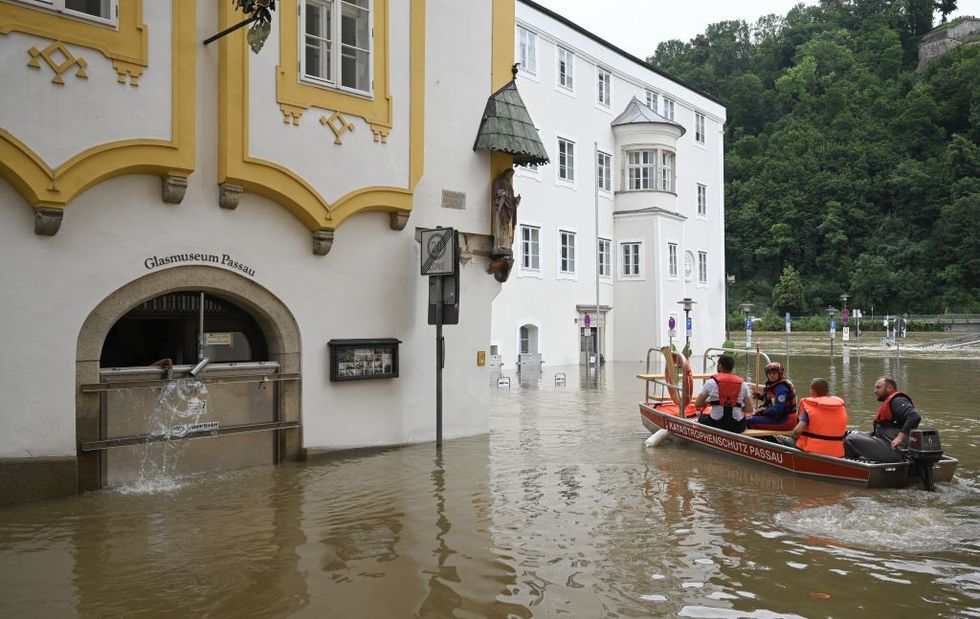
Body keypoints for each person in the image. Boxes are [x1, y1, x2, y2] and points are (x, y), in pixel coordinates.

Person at [843, 377, 921, 462]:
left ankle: (849, 465)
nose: (875, 391)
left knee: (850, 439)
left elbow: (914, 417)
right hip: (886, 444)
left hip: (896, 450)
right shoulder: (891, 403)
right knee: (849, 434)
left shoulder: (897, 400)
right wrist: (860, 433)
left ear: (889, 388)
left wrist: (900, 438)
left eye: (878, 387)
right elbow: (885, 430)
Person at [782, 378, 848, 457]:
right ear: (827, 392)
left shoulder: (811, 408)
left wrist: (792, 436)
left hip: (814, 451)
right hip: (836, 452)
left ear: (813, 392)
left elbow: (797, 431)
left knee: (786, 440)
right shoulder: (840, 408)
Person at [695, 354, 754, 433]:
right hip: (737, 426)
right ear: (731, 367)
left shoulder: (710, 383)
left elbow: (698, 404)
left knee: (702, 418)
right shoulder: (743, 384)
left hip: (716, 424)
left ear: (720, 365)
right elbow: (749, 409)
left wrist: (709, 401)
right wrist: (738, 407)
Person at [747, 361, 798, 430]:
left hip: (785, 420)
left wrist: (761, 411)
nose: (771, 375)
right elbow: (773, 400)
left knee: (748, 420)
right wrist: (761, 397)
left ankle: (759, 438)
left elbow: (777, 409)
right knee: (750, 416)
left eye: (774, 373)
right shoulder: (776, 385)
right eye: (769, 373)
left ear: (780, 374)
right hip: (780, 417)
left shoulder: (781, 388)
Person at [491, 168, 521, 255]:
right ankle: (499, 245)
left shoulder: (509, 186)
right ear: (505, 173)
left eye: (511, 175)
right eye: (510, 174)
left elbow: (511, 198)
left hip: (509, 209)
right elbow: (496, 193)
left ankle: (507, 245)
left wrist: (516, 200)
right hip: (501, 208)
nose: (510, 177)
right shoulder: (498, 182)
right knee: (501, 226)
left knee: (508, 228)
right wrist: (502, 193)